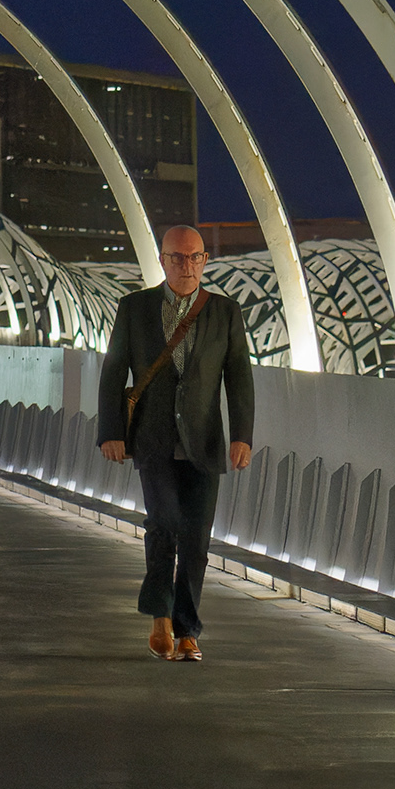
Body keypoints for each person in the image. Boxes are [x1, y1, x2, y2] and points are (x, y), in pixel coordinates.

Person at [97, 222, 254, 662]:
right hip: (153, 438)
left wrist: (242, 436)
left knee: (197, 541)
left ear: (205, 260)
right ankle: (160, 617)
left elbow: (239, 377)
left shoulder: (225, 312)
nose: (187, 265)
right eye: (178, 257)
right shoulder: (135, 308)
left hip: (204, 441)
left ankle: (188, 630)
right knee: (163, 526)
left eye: (195, 257)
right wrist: (110, 431)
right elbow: (114, 372)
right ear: (162, 260)